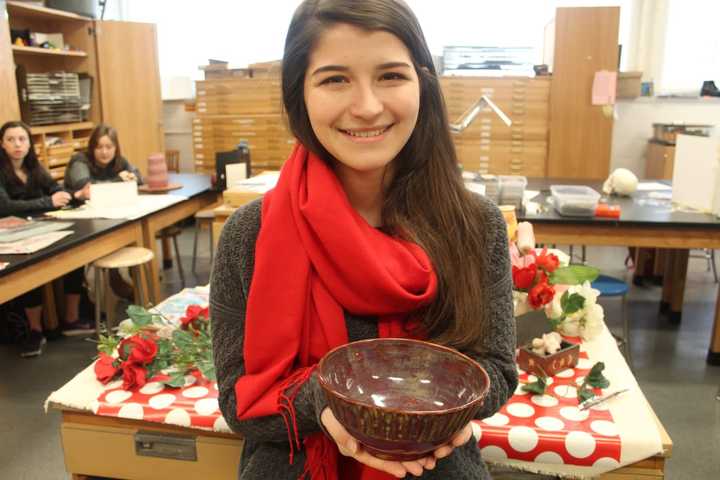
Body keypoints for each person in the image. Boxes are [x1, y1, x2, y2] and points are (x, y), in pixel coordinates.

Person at [210, 1, 517, 478]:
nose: (368, 106)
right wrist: (339, 407)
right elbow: (239, 400)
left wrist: (441, 413)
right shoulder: (250, 235)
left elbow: (497, 368)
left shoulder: (475, 225)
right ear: (300, 95)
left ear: (422, 85)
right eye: (335, 79)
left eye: (391, 76)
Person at [0, 121, 92, 357]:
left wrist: (73, 195)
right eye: (11, 139)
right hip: (10, 236)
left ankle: (71, 318)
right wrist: (47, 202)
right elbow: (6, 206)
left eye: (22, 139)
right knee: (31, 268)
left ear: (30, 143)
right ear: (2, 143)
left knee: (72, 252)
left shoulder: (33, 168)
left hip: (39, 229)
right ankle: (35, 330)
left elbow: (53, 188)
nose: (17, 144)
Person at [63, 123, 143, 200]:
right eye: (99, 147)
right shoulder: (79, 161)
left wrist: (132, 177)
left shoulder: (118, 160)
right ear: (92, 148)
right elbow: (87, 189)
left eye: (109, 147)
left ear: (116, 148)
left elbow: (138, 177)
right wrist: (118, 181)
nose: (104, 152)